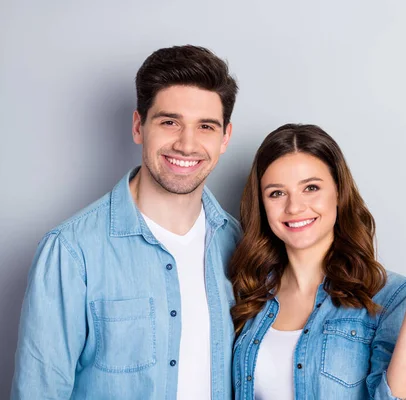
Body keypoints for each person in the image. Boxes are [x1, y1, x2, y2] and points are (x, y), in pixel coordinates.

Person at [11, 45, 240, 399]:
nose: (187, 144)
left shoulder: (242, 244)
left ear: (225, 137)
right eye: (169, 122)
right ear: (138, 127)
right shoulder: (72, 252)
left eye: (205, 127)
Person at [229, 123, 406, 400]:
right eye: (277, 193)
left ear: (339, 193)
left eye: (311, 188)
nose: (294, 206)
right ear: (262, 204)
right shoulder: (249, 292)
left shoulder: (387, 296)